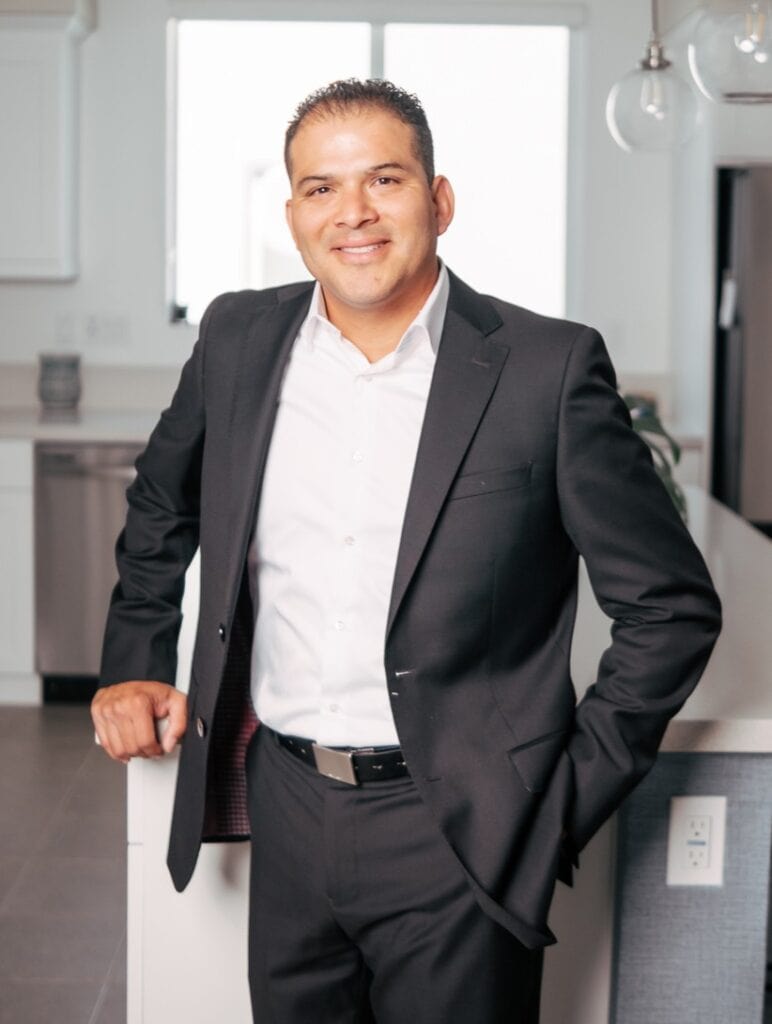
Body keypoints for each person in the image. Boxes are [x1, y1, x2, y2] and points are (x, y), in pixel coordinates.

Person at [92, 78, 722, 1023]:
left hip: (459, 827)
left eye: (384, 179)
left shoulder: (546, 368)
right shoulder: (237, 338)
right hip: (287, 805)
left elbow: (670, 609)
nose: (353, 213)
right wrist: (135, 662)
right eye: (320, 188)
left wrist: (553, 808)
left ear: (440, 200)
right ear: (294, 213)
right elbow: (159, 505)